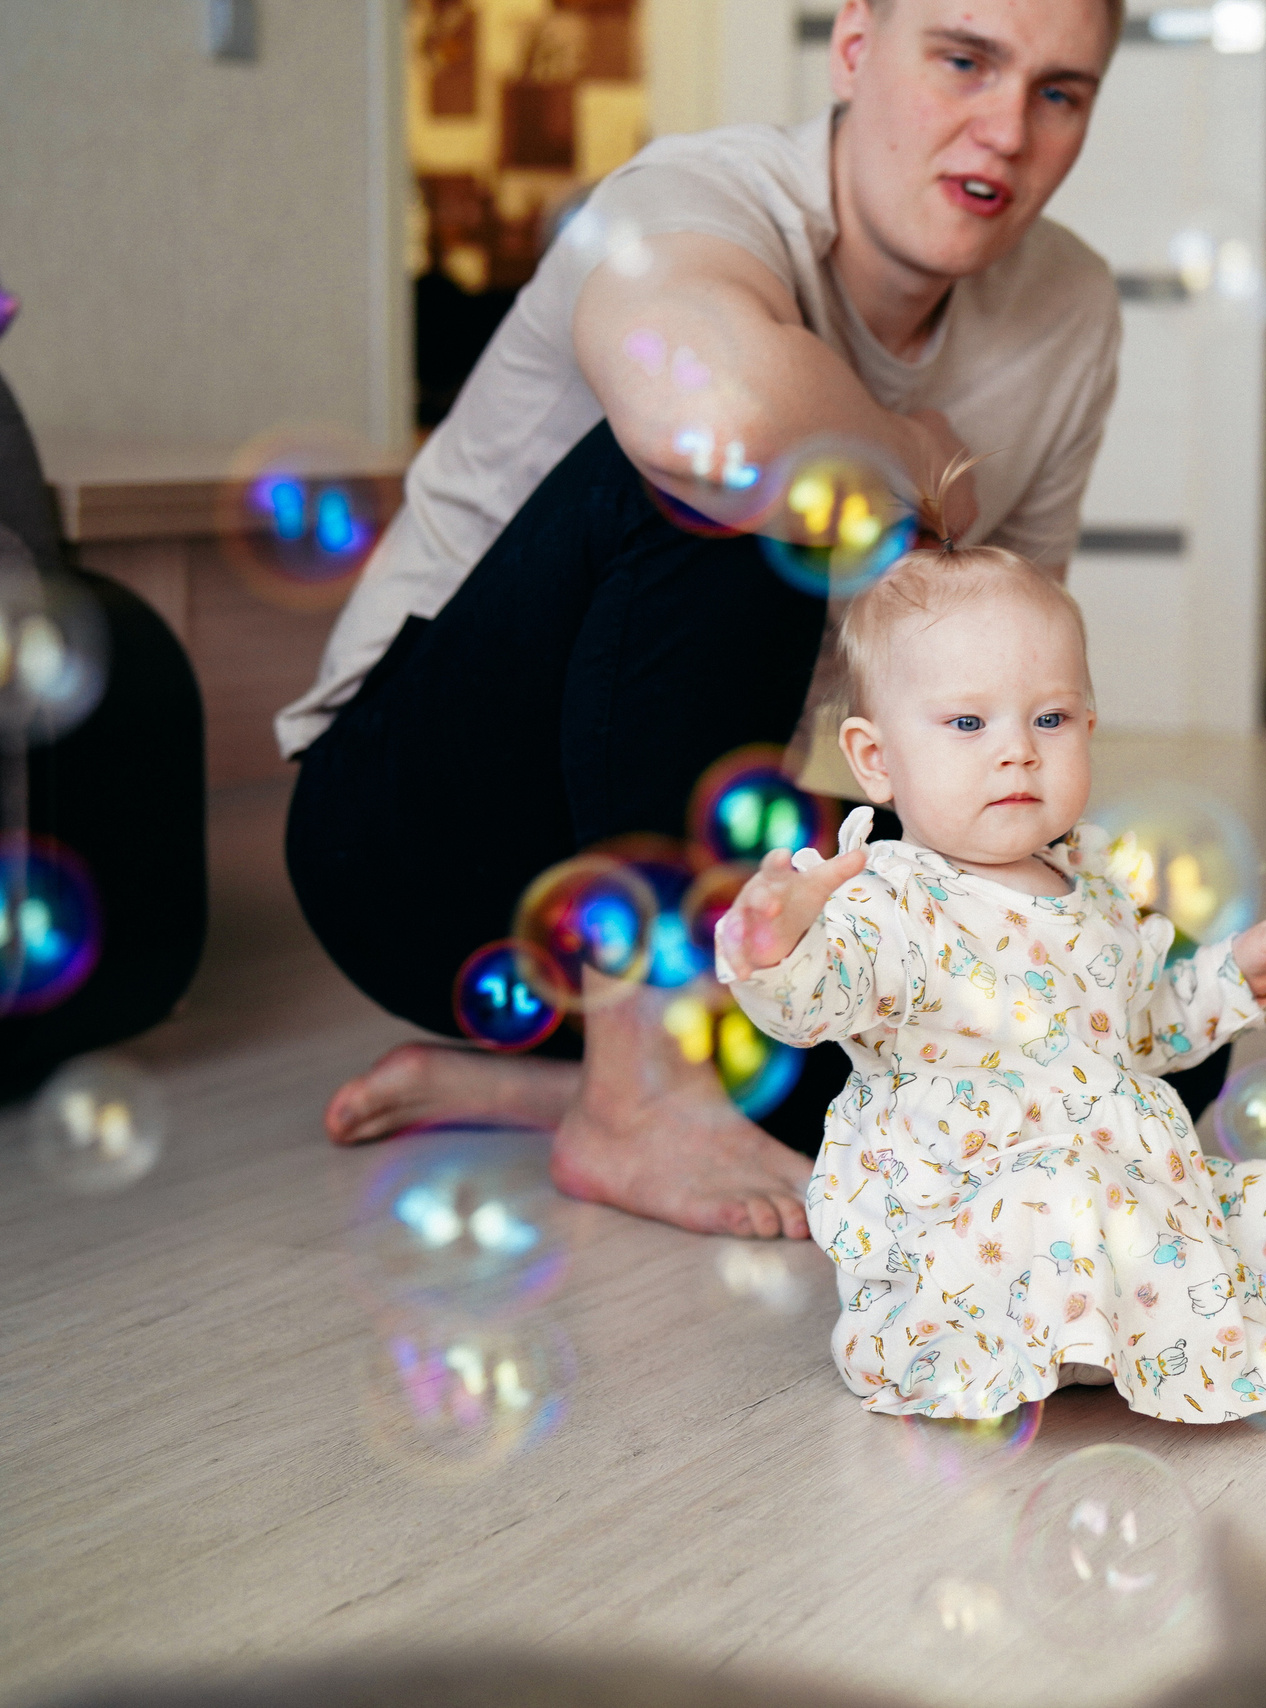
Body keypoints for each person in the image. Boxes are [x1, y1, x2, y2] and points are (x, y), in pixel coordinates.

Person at [282, 0, 1168, 1243]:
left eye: (1060, 93)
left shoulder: (1065, 311)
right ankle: (640, 1086)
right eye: (963, 60)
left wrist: (1017, 942)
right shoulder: (690, 203)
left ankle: (556, 1090)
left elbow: (1000, 665)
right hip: (415, 844)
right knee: (752, 468)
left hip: (681, 842)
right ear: (855, 44)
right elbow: (723, 414)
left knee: (1133, 1029)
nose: (1007, 129)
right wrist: (910, 444)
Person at [715, 533, 1266, 1416]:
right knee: (1065, 1191)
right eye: (969, 724)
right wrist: (772, 947)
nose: (1017, 751)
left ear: (1089, 728)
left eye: (1049, 719)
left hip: (1125, 1190)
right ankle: (1231, 1340)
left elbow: (1141, 1034)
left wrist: (1238, 975)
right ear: (875, 760)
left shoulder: (1089, 889)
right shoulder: (886, 902)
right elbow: (808, 1000)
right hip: (965, 1243)